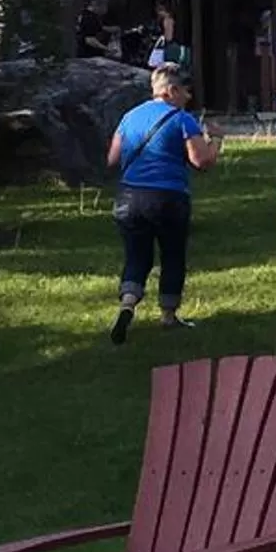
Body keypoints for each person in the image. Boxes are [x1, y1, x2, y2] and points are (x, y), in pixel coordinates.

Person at [106, 64, 220, 345]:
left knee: (136, 255)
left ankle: (128, 304)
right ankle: (168, 315)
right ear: (171, 90)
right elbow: (201, 161)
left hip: (129, 197)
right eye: (185, 90)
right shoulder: (182, 119)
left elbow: (112, 159)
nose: (188, 97)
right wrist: (215, 139)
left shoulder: (130, 116)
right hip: (168, 196)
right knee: (172, 255)